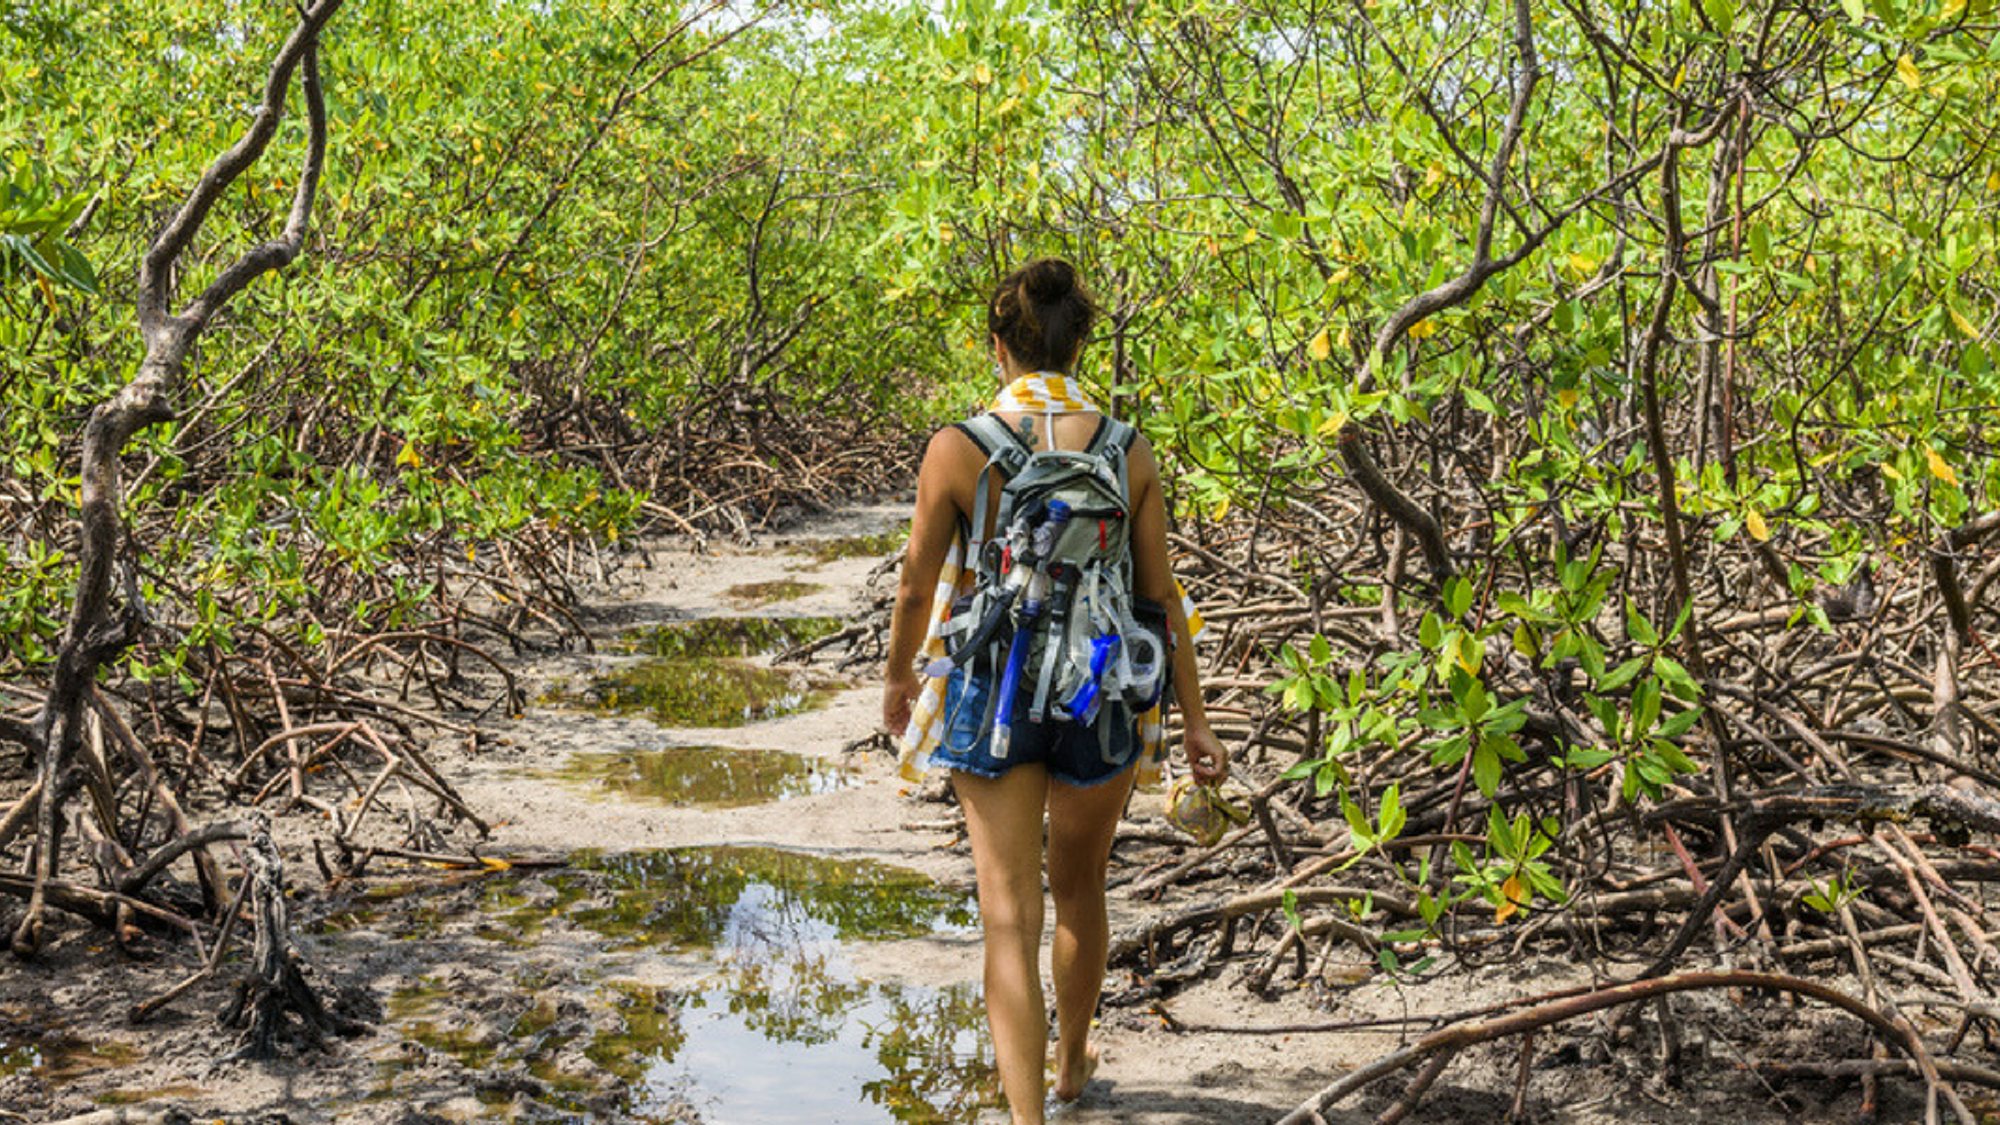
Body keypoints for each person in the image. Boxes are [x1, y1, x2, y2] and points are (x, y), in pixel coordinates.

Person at [882, 258, 1228, 1124]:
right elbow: (1161, 596)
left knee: (1009, 916)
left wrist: (897, 679)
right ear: (1080, 347)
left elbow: (917, 586)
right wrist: (1195, 720)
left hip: (991, 686)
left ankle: (1028, 1118)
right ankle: (1072, 1064)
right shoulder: (1126, 447)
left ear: (997, 348)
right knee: (1081, 888)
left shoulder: (957, 447)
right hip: (1099, 687)